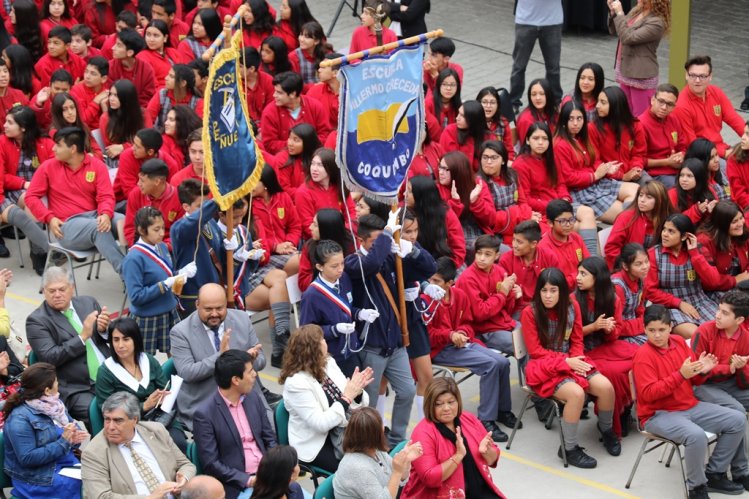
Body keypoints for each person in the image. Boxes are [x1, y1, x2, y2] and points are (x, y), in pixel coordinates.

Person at [633, 305, 747, 499]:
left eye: (662, 329)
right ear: (644, 330)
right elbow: (648, 394)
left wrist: (703, 370)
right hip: (658, 414)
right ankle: (697, 487)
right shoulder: (643, 356)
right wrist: (680, 375)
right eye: (651, 331)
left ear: (671, 327)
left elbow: (694, 378)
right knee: (696, 436)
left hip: (689, 405)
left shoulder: (678, 341)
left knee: (737, 419)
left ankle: (714, 473)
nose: (657, 335)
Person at [521, 268, 619, 468]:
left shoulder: (572, 306)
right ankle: (569, 448)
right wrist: (566, 363)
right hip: (543, 365)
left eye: (553, 290)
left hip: (570, 359)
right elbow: (536, 351)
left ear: (562, 292)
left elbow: (576, 340)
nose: (548, 296)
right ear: (538, 291)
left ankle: (606, 430)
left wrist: (575, 358)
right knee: (575, 394)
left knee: (606, 387)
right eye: (544, 290)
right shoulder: (529, 312)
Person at [422, 256, 515, 441]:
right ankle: (486, 419)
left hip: (461, 344)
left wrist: (462, 332)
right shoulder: (426, 300)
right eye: (430, 280)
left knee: (503, 362)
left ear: (450, 283)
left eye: (437, 281)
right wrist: (450, 335)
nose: (432, 284)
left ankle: (502, 410)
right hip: (440, 350)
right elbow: (427, 336)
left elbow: (468, 324)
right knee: (490, 365)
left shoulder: (460, 296)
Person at [344, 215, 416, 449]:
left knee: (407, 391)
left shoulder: (387, 257)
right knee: (369, 403)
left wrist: (409, 249)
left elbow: (427, 267)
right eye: (375, 241)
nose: (380, 245)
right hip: (372, 347)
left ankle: (396, 438)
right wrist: (387, 234)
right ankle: (371, 444)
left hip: (394, 345)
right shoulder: (353, 263)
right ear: (361, 240)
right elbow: (371, 264)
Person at [25, 127, 125, 274]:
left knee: (123, 220)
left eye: (58, 145)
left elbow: (106, 196)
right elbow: (30, 197)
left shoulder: (96, 165)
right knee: (98, 228)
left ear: (72, 148)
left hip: (94, 216)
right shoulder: (48, 167)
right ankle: (128, 275)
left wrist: (105, 213)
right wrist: (49, 218)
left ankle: (143, 268)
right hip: (66, 225)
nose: (53, 149)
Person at [170, 283, 268, 430]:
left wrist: (249, 361)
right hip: (206, 400)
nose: (214, 314)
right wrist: (220, 356)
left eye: (220, 308)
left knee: (269, 431)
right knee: (233, 438)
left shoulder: (242, 319)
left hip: (245, 395)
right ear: (197, 305)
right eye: (208, 309)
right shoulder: (180, 332)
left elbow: (261, 361)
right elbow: (187, 372)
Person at [280, 324, 372, 472]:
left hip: (342, 430)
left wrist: (357, 391)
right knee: (358, 470)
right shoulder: (296, 383)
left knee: (376, 454)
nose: (325, 341)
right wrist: (347, 398)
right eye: (321, 339)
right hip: (317, 442)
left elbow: (353, 403)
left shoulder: (327, 363)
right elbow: (320, 423)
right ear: (311, 349)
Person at [26, 267, 111, 427]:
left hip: (109, 373)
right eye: (51, 291)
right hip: (76, 387)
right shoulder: (36, 321)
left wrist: (104, 330)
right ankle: (102, 450)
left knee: (135, 400)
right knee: (105, 415)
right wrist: (82, 337)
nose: (57, 294)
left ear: (71, 288)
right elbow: (50, 357)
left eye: (62, 289)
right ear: (44, 291)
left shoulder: (88, 303)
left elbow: (109, 339)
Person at [193, 349, 278, 499]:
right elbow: (211, 464)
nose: (255, 375)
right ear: (236, 380)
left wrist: (275, 466)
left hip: (267, 474)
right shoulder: (205, 415)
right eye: (250, 371)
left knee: (296, 490)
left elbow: (269, 438)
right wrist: (249, 480)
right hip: (238, 485)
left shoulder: (253, 398)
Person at [401, 377, 505, 498]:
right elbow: (429, 478)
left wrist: (487, 452)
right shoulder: (422, 433)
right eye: (439, 404)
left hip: (479, 491)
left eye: (451, 402)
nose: (446, 408)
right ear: (430, 405)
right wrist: (458, 456)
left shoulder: (468, 419)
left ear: (458, 401)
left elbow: (493, 460)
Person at [555, 100, 639, 248]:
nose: (576, 123)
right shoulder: (560, 144)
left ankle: (630, 238)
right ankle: (626, 242)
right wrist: (595, 175)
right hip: (581, 191)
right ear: (563, 120)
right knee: (625, 214)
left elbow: (594, 159)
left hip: (596, 182)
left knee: (636, 190)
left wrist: (605, 168)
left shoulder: (583, 136)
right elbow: (568, 178)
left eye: (579, 118)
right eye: (571, 119)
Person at [95, 317, 187, 451]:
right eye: (116, 340)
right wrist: (144, 406)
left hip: (161, 418)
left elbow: (164, 387)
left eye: (126, 339)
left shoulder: (148, 360)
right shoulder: (106, 371)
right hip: (128, 426)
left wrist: (163, 396)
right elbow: (106, 409)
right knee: (155, 450)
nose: (120, 345)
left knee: (177, 444)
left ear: (135, 340)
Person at [81, 391, 196, 498]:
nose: (110, 427)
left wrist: (183, 479)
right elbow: (100, 496)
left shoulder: (157, 431)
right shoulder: (94, 453)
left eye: (118, 420)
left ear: (135, 420)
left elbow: (186, 464)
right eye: (107, 419)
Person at [3, 363, 88, 499]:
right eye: (56, 381)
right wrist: (64, 442)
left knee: (99, 475)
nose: (58, 384)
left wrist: (74, 439)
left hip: (63, 464)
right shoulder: (19, 419)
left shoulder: (55, 405)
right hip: (36, 477)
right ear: (47, 390)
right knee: (83, 485)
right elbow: (27, 458)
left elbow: (71, 431)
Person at [575, 256, 638, 437]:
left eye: (583, 274)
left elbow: (615, 333)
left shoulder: (612, 298)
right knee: (613, 374)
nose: (577, 278)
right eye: (578, 272)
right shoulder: (574, 300)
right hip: (582, 349)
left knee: (638, 358)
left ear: (598, 277)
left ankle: (626, 407)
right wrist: (594, 327)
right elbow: (568, 335)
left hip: (606, 345)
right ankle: (612, 421)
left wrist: (609, 330)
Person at [122, 206, 195, 355]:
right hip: (147, 317)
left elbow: (165, 274)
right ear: (142, 230)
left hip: (169, 310)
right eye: (156, 229)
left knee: (178, 354)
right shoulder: (133, 258)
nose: (162, 233)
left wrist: (181, 273)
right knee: (144, 360)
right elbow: (136, 297)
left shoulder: (161, 247)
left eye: (162, 228)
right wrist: (166, 284)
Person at [300, 240, 373, 376]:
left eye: (342, 263)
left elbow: (346, 309)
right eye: (334, 266)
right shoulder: (311, 295)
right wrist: (334, 329)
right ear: (319, 266)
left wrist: (360, 314)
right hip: (330, 357)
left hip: (351, 350)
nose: (340, 269)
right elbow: (307, 333)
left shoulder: (344, 278)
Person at [645, 213, 721, 338]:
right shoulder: (653, 254)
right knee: (697, 335)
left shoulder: (698, 250)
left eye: (671, 231)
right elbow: (650, 291)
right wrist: (679, 303)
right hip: (669, 307)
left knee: (720, 330)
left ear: (684, 236)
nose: (664, 234)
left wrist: (694, 254)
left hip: (700, 301)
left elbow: (713, 281)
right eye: (664, 229)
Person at [0, 105, 54, 272]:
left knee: (33, 201)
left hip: (37, 189)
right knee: (32, 201)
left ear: (23, 127)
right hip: (13, 188)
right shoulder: (2, 142)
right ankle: (45, 251)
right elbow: (3, 177)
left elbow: (55, 168)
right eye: (6, 121)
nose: (4, 125)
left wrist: (38, 185)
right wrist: (24, 183)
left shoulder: (44, 143)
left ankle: (38, 253)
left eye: (10, 122)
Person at [334, 407, 422, 499]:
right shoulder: (357, 467)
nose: (383, 428)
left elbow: (401, 480)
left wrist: (406, 460)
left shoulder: (375, 450)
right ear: (374, 435)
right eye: (381, 425)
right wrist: (397, 472)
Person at [455, 234, 518, 362]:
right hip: (483, 330)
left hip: (503, 323)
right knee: (521, 345)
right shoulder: (468, 278)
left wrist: (513, 293)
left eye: (488, 254)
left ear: (497, 256)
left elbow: (508, 310)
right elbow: (480, 313)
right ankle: (534, 381)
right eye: (479, 253)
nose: (482, 258)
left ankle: (538, 379)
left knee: (534, 337)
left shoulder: (499, 271)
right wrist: (502, 294)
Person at [674, 55, 745, 159]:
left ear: (710, 76)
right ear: (686, 75)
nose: (697, 80)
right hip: (702, 156)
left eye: (702, 76)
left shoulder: (716, 92)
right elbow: (693, 144)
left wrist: (747, 136)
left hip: (721, 148)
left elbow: (734, 119)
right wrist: (725, 153)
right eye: (693, 75)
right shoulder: (681, 105)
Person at [607, 0, 670, 116]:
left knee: (640, 117)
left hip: (641, 75)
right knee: (625, 113)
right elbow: (618, 30)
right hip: (626, 69)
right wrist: (613, 12)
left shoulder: (657, 23)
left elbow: (628, 38)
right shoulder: (637, 11)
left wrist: (620, 13)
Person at [476, 140, 536, 246]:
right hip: (498, 230)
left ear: (503, 160)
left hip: (520, 221)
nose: (488, 162)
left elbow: (522, 202)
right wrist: (521, 215)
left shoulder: (512, 175)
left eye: (494, 158)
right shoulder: (479, 183)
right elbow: (493, 218)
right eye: (485, 157)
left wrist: (525, 216)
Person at [604, 180, 674, 269]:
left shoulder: (668, 219)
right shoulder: (626, 217)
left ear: (660, 200)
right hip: (630, 268)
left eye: (648, 197)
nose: (642, 200)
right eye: (640, 195)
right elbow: (611, 248)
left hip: (659, 266)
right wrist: (626, 268)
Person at [508, 0, 563, 111]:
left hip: (552, 21)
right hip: (525, 20)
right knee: (519, 67)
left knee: (553, 68)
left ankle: (555, 101)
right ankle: (513, 101)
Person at [260, 71, 330, 155]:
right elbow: (269, 144)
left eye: (279, 93)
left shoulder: (315, 106)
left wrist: (302, 146)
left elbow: (325, 135)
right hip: (284, 159)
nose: (274, 95)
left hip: (312, 156)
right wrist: (296, 145)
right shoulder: (269, 112)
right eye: (275, 91)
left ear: (293, 94)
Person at [589, 85, 648, 184]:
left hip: (631, 172)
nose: (597, 106)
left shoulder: (635, 125)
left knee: (651, 188)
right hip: (607, 178)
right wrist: (621, 176)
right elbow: (595, 161)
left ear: (615, 105)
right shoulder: (593, 128)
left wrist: (635, 169)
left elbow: (639, 154)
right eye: (598, 101)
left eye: (603, 102)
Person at [295, 147, 357, 240]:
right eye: (313, 164)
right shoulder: (303, 192)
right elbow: (308, 226)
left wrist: (343, 231)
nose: (314, 169)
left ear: (331, 168)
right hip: (318, 240)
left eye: (320, 165)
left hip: (343, 236)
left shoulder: (339, 187)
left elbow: (351, 214)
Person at [250, 165, 301, 277]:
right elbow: (251, 238)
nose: (249, 185)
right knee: (300, 262)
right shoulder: (249, 205)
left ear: (266, 184)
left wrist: (289, 243)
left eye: (254, 181)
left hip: (286, 250)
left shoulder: (283, 197)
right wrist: (275, 246)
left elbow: (295, 226)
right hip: (264, 254)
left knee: (307, 260)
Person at [499, 220, 559, 315]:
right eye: (513, 239)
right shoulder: (505, 260)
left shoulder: (549, 257)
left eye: (519, 242)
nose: (514, 245)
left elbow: (557, 287)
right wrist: (514, 294)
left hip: (544, 306)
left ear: (533, 244)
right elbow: (502, 294)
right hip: (516, 309)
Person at [406, 175, 466, 268]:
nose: (404, 194)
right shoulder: (404, 213)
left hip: (444, 266)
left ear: (421, 196)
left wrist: (443, 272)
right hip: (414, 266)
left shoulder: (446, 214)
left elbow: (458, 249)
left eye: (409, 191)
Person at [512, 122, 570, 218]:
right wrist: (552, 206)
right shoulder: (520, 164)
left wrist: (565, 199)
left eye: (545, 139)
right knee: (573, 225)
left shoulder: (552, 158)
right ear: (527, 140)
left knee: (586, 213)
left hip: (559, 205)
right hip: (539, 211)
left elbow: (560, 184)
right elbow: (525, 198)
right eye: (535, 138)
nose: (540, 142)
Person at [638, 83, 686, 188]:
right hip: (656, 173)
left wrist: (681, 155)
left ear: (674, 106)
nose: (664, 107)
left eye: (669, 104)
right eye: (661, 101)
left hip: (678, 167)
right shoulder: (641, 124)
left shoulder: (673, 119)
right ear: (652, 100)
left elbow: (683, 146)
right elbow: (640, 160)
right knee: (678, 188)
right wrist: (667, 162)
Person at [697, 200, 749, 292]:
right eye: (734, 221)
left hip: (743, 284)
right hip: (716, 291)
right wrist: (735, 280)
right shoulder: (705, 241)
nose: (741, 224)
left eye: (741, 218)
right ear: (722, 224)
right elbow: (709, 282)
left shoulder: (742, 233)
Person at [297, 208, 354, 293]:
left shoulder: (350, 244)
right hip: (321, 295)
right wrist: (326, 276)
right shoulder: (309, 246)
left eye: (315, 225)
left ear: (326, 229)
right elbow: (303, 282)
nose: (310, 227)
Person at [537, 199, 590, 288]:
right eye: (562, 221)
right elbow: (553, 282)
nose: (568, 224)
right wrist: (579, 276)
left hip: (582, 288)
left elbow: (589, 266)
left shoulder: (576, 238)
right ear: (550, 223)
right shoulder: (543, 248)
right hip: (561, 294)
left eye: (571, 220)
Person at [100, 79, 147, 165]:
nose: (111, 99)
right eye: (110, 94)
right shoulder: (105, 118)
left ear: (127, 98)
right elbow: (111, 150)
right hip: (119, 160)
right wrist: (130, 147)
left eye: (116, 96)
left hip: (143, 156)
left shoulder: (143, 114)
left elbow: (148, 142)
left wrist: (123, 147)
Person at [611, 243, 650, 346]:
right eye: (638, 264)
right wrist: (642, 324)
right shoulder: (618, 287)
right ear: (625, 266)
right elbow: (615, 324)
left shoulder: (640, 280)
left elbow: (640, 308)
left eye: (646, 261)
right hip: (620, 334)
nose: (645, 267)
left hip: (635, 327)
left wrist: (645, 321)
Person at [269, 123, 321, 198]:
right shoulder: (282, 159)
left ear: (308, 143)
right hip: (292, 203)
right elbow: (283, 189)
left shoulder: (317, 157)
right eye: (289, 138)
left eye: (296, 140)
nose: (290, 143)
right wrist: (309, 194)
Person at [108, 28, 157, 108]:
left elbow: (147, 97)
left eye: (119, 45)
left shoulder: (146, 69)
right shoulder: (110, 67)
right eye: (115, 44)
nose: (113, 48)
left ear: (130, 52)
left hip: (137, 111)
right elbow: (108, 93)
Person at [147, 65, 203, 131]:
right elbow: (148, 118)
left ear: (183, 83)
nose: (166, 78)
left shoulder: (198, 102)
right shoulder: (162, 95)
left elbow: (199, 128)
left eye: (171, 76)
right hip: (162, 137)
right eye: (168, 75)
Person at [439, 100, 489, 171]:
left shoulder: (486, 136)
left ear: (473, 119)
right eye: (458, 113)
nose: (457, 118)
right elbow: (451, 162)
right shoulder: (450, 131)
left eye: (462, 116)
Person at [669, 158, 718, 225]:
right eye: (681, 175)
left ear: (699, 178)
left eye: (689, 176)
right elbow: (674, 223)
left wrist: (711, 211)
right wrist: (696, 211)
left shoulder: (708, 190)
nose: (684, 179)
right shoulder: (672, 194)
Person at [515, 78, 557, 147]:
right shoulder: (526, 119)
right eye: (533, 94)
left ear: (549, 95)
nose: (537, 98)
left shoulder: (553, 112)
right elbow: (527, 148)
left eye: (542, 94)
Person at [686, 137, 730, 201]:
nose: (717, 160)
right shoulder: (696, 185)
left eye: (716, 154)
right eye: (711, 157)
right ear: (701, 160)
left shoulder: (719, 172)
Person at [288, 21, 329, 88]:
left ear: (316, 41)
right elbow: (294, 83)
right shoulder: (293, 57)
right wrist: (315, 86)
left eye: (307, 37)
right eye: (301, 35)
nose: (301, 39)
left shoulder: (327, 53)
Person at [426, 68, 461, 134]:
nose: (448, 88)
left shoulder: (459, 107)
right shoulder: (428, 104)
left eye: (453, 85)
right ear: (438, 85)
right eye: (444, 84)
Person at [728, 121, 749, 211]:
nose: (743, 137)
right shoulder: (734, 159)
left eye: (748, 134)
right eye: (744, 133)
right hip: (744, 208)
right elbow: (739, 193)